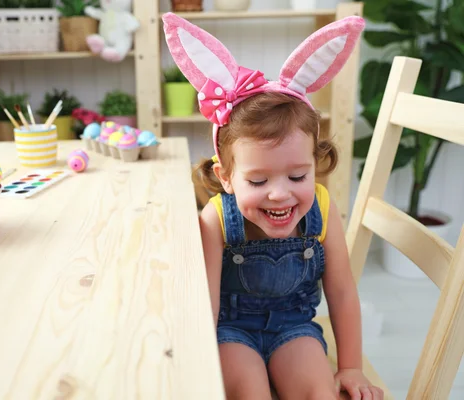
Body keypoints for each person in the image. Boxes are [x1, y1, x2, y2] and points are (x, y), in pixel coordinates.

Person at [162, 12, 384, 400]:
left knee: (320, 391)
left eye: (298, 177)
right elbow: (205, 304)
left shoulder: (323, 208)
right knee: (249, 390)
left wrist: (350, 367)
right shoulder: (214, 219)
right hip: (230, 332)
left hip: (294, 328)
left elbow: (343, 291)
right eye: (259, 181)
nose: (280, 194)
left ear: (315, 163)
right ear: (226, 176)